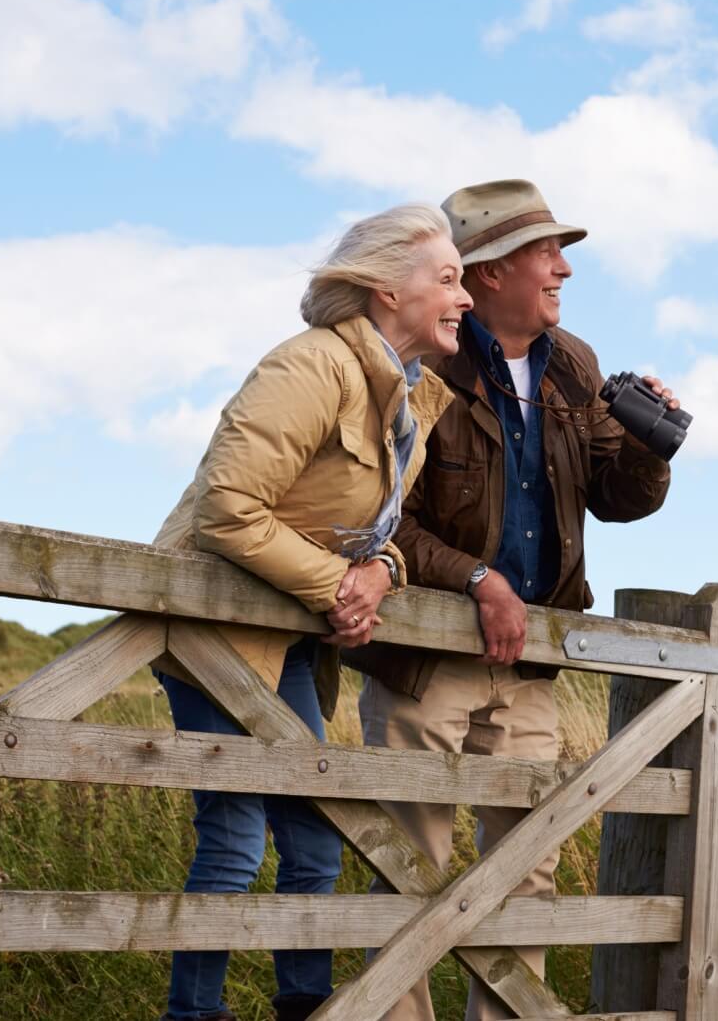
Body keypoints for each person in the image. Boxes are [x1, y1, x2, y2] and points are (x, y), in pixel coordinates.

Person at [353, 179, 679, 1021]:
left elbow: (617, 496)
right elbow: (384, 517)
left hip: (529, 667)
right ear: (491, 270)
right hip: (426, 659)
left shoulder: (573, 362)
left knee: (527, 871)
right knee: (406, 864)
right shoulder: (423, 356)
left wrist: (649, 446)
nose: (563, 268)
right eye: (545, 252)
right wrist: (478, 578)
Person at [150, 203, 469, 1021]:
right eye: (446, 278)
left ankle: (308, 1006)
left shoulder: (413, 401)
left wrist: (382, 571)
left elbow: (386, 531)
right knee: (236, 831)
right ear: (384, 289)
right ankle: (195, 1014)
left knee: (318, 835)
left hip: (287, 638)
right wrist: (338, 585)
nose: (462, 296)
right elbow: (227, 508)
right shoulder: (311, 366)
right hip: (213, 628)